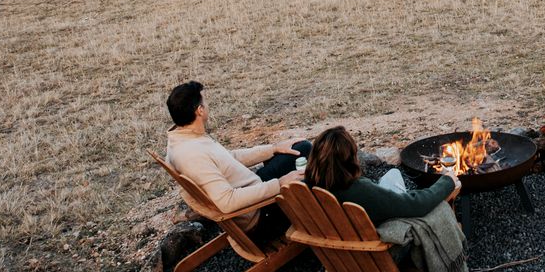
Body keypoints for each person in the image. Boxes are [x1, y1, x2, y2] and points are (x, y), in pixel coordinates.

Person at [163, 81, 309, 241]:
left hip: (254, 189)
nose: (207, 104)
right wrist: (279, 184)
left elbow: (230, 158)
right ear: (200, 110)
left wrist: (273, 148)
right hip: (259, 215)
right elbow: (227, 201)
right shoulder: (193, 155)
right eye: (205, 100)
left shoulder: (183, 138)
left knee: (301, 148)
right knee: (313, 173)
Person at [305, 125, 459, 223]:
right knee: (403, 197)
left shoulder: (308, 185)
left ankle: (394, 196)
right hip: (375, 245)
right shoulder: (359, 190)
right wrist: (446, 181)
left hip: (339, 237)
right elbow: (416, 205)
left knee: (393, 174)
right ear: (351, 158)